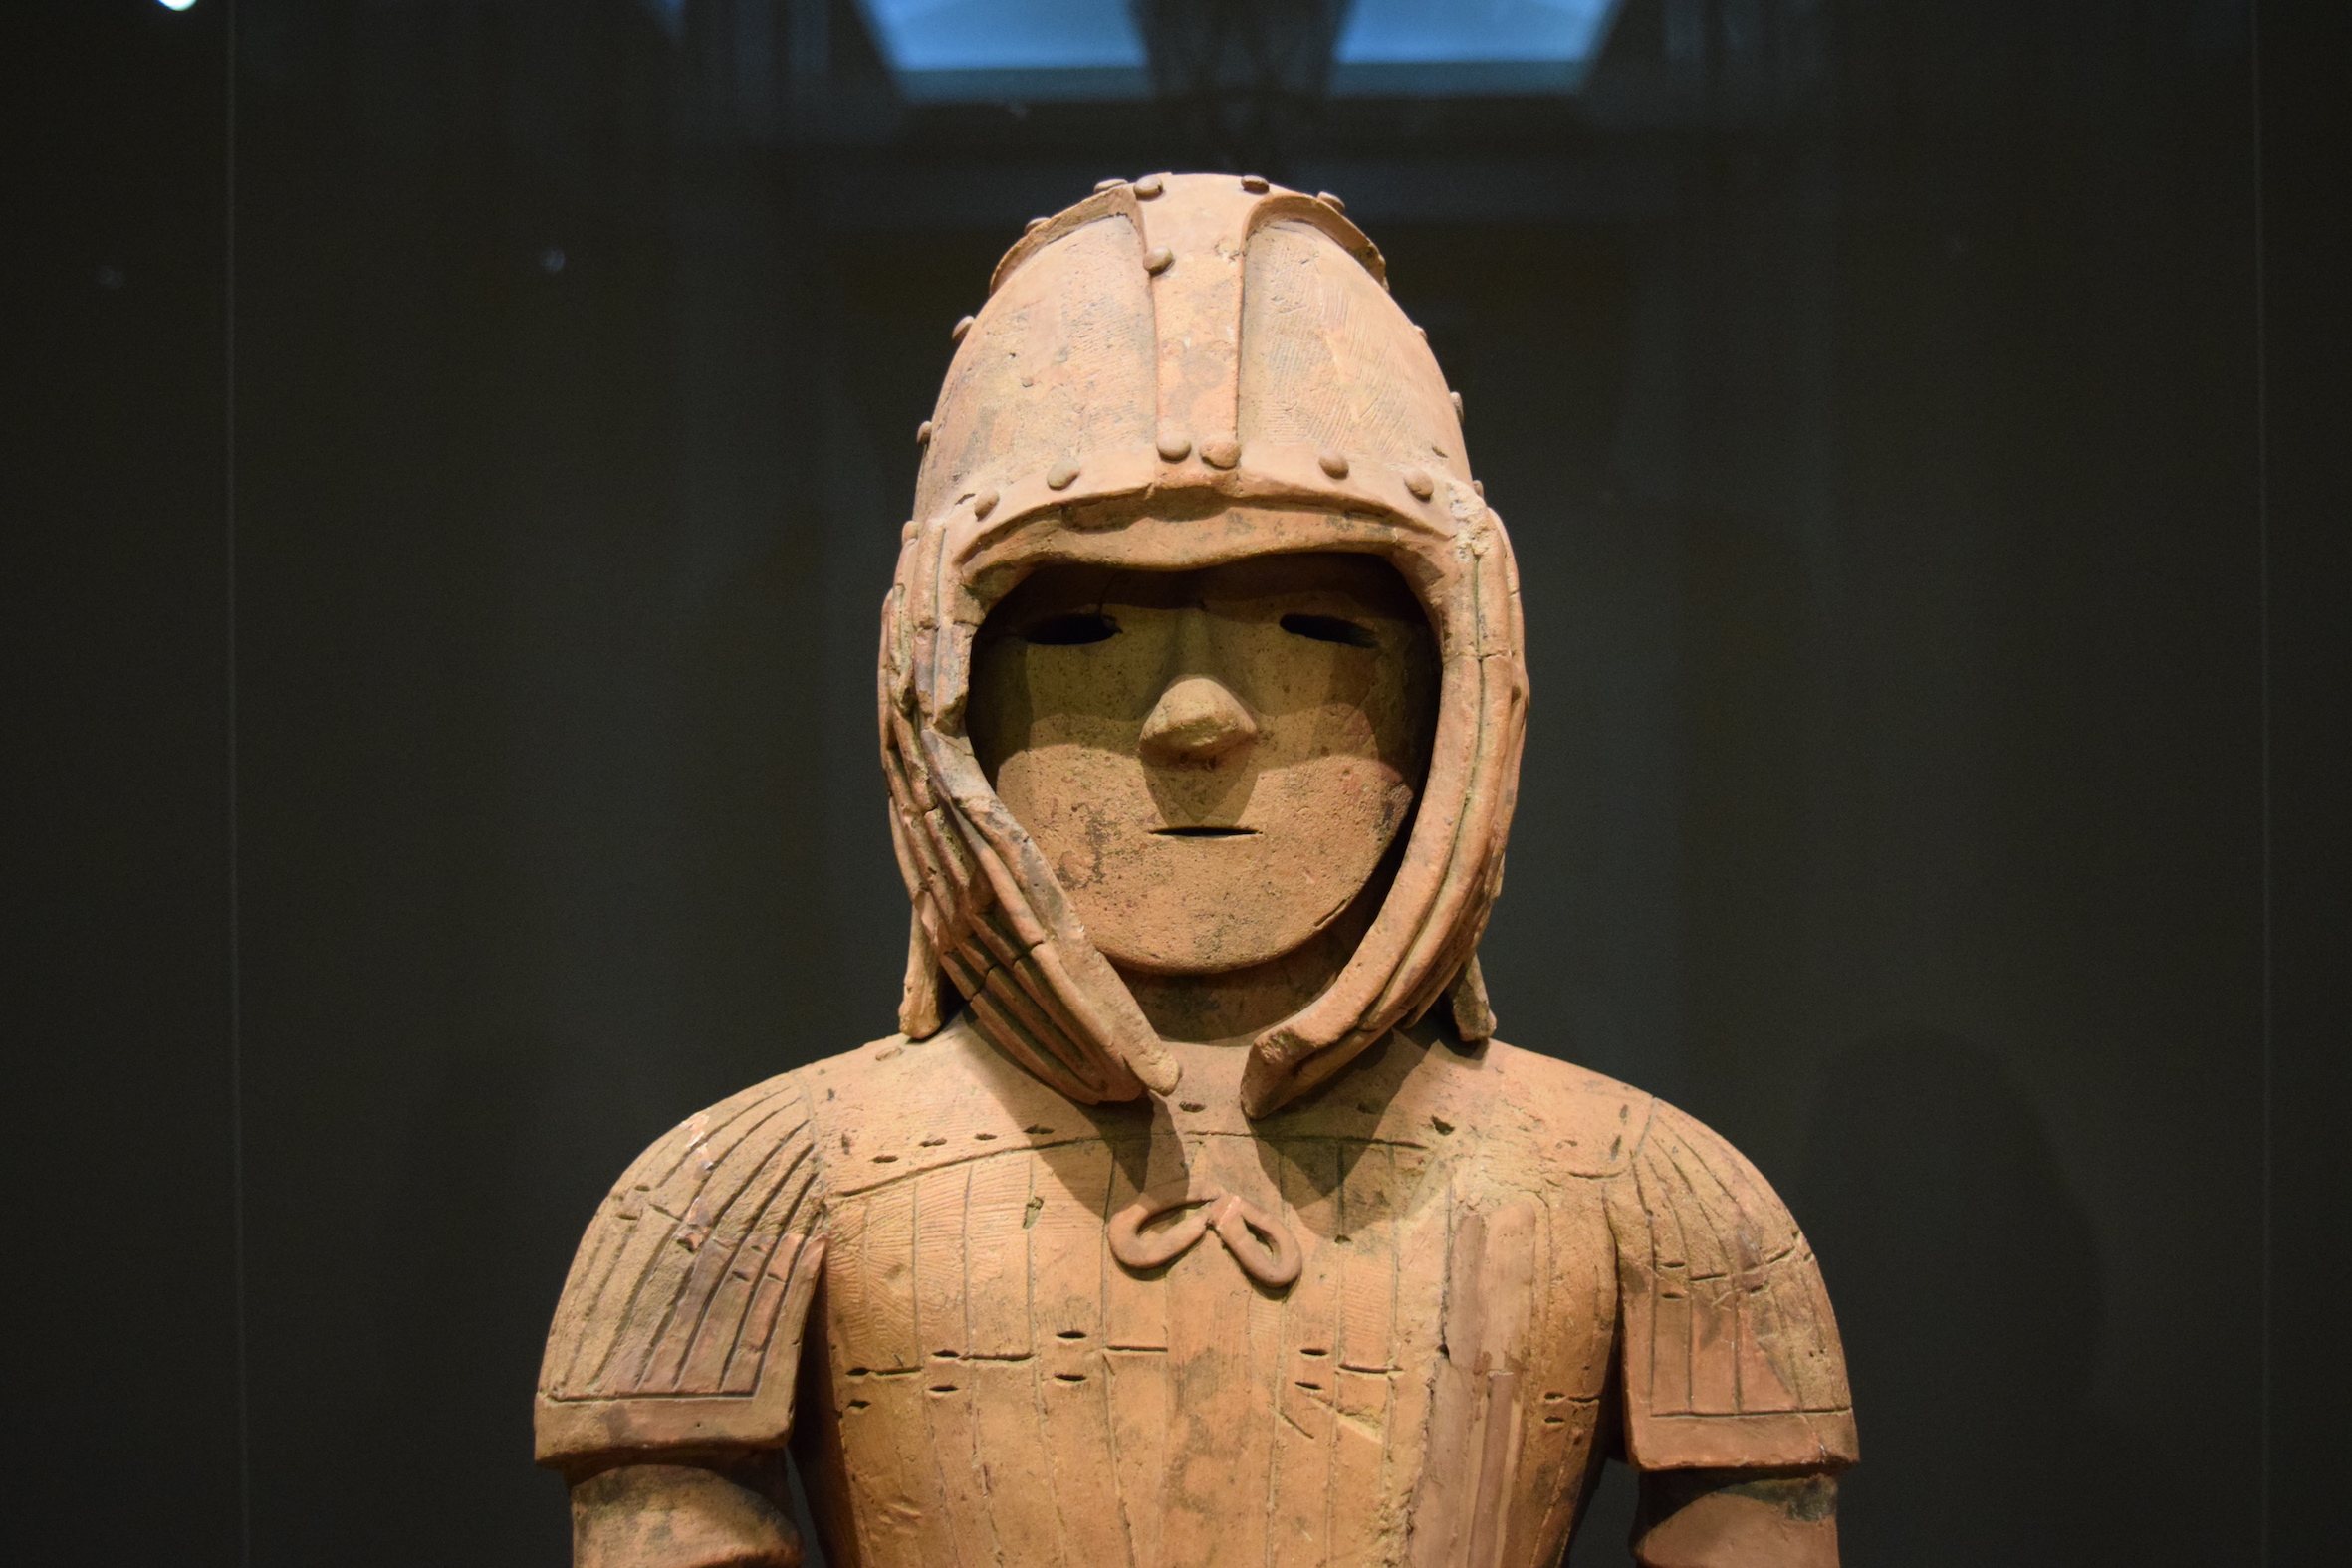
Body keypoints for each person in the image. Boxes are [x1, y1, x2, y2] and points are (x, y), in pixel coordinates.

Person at [534, 173, 1855, 1568]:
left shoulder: (1652, 1202)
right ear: (938, 683)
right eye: (1081, 633)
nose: (1196, 717)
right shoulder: (743, 1200)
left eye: (1314, 628)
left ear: (1460, 685)